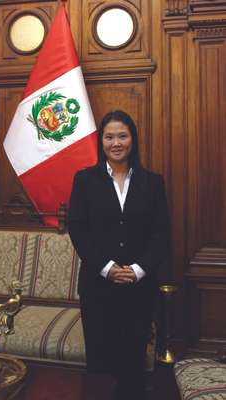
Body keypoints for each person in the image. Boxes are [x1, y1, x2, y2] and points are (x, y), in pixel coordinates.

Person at [68, 110, 170, 400]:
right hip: (98, 287)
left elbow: (161, 234)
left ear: (132, 140)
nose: (116, 143)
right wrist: (107, 267)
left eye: (122, 136)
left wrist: (138, 269)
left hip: (139, 288)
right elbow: (78, 230)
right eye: (109, 136)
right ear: (101, 141)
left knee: (133, 366)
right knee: (102, 366)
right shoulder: (84, 180)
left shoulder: (153, 182)